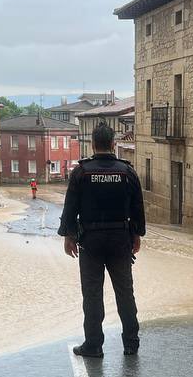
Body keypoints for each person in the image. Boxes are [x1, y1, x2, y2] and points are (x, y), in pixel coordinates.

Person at [59, 123, 145, 358]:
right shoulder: (127, 172)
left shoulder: (81, 172)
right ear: (113, 144)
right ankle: (131, 343)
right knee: (125, 292)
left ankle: (94, 345)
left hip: (91, 241)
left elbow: (70, 207)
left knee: (92, 294)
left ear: (93, 144)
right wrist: (137, 235)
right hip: (120, 239)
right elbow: (138, 207)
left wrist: (68, 236)